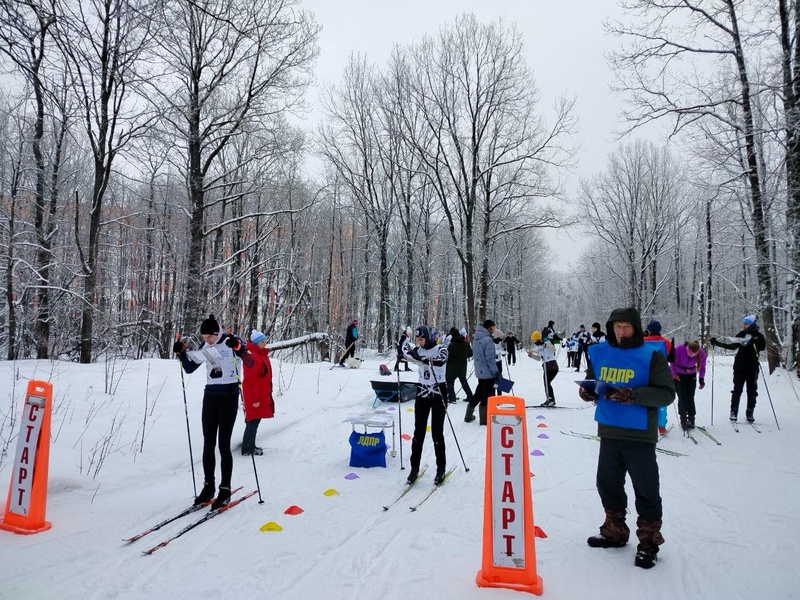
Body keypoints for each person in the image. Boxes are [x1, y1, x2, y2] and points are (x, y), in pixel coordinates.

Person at [577, 307, 675, 569]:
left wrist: (633, 395)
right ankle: (615, 531)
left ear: (635, 328)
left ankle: (648, 542)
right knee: (607, 483)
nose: (621, 332)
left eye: (626, 327)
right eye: (617, 327)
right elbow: (592, 381)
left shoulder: (651, 355)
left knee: (646, 489)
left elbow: (667, 393)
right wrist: (588, 393)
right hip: (609, 430)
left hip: (640, 433)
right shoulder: (600, 352)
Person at [173, 314, 253, 509]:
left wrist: (239, 348)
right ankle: (208, 487)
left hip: (229, 395)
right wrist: (181, 354)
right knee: (208, 444)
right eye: (204, 338)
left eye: (209, 337)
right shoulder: (205, 347)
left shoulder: (231, 341)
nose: (207, 341)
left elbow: (250, 362)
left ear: (217, 333)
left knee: (223, 445)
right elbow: (190, 368)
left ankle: (224, 489)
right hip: (210, 396)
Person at [403, 325, 449, 485]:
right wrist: (402, 353)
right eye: (418, 340)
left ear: (428, 337)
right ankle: (414, 468)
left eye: (422, 339)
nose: (420, 342)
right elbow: (407, 355)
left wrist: (423, 360)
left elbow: (440, 361)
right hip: (422, 392)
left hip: (438, 392)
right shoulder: (418, 350)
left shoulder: (441, 348)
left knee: (437, 432)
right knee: (418, 432)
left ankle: (441, 468)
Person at [710, 315, 767, 423]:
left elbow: (762, 347)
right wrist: (717, 343)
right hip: (740, 366)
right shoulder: (741, 334)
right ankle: (733, 412)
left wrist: (752, 343)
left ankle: (750, 412)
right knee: (737, 389)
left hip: (753, 366)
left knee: (752, 390)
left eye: (746, 324)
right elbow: (733, 346)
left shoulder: (758, 336)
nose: (744, 325)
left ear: (752, 324)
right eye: (743, 324)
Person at [241, 330, 274, 456]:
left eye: (265, 341)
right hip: (254, 396)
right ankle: (247, 448)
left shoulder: (260, 354)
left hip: (261, 394)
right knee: (252, 421)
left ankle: (251, 445)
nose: (265, 344)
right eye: (262, 341)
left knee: (255, 420)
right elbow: (251, 380)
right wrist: (254, 399)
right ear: (255, 343)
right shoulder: (253, 356)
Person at [465, 320, 500, 426]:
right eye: (493, 327)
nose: (494, 330)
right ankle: (485, 420)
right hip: (488, 372)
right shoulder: (488, 340)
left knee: (479, 392)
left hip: (480, 371)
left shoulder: (477, 338)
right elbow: (490, 358)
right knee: (488, 395)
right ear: (489, 328)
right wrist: (496, 372)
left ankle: (468, 415)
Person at [643, 320, 674, 435]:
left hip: (646, 372)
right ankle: (661, 426)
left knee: (646, 397)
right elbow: (672, 358)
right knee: (661, 399)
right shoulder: (666, 342)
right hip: (661, 373)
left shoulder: (643, 341)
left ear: (649, 330)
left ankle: (646, 424)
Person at [670, 341, 707, 429]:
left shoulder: (701, 353)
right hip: (679, 375)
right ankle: (683, 418)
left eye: (694, 354)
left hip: (691, 374)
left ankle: (691, 417)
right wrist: (674, 374)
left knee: (690, 397)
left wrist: (701, 379)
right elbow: (672, 363)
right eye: (690, 354)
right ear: (687, 349)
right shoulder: (679, 349)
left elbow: (702, 367)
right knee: (682, 397)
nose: (692, 356)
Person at [528, 331, 558, 406]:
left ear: (538, 338)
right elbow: (539, 358)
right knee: (546, 383)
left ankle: (551, 399)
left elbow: (553, 350)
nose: (534, 342)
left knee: (547, 382)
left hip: (552, 365)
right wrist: (531, 355)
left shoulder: (546, 342)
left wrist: (546, 344)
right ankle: (549, 398)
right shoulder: (538, 347)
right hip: (545, 366)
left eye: (534, 340)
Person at [445, 327, 473, 404]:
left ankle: (452, 397)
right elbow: (471, 354)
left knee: (450, 382)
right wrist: (463, 356)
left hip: (452, 366)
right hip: (463, 366)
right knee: (463, 381)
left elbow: (448, 356)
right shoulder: (466, 344)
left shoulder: (451, 345)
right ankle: (470, 396)